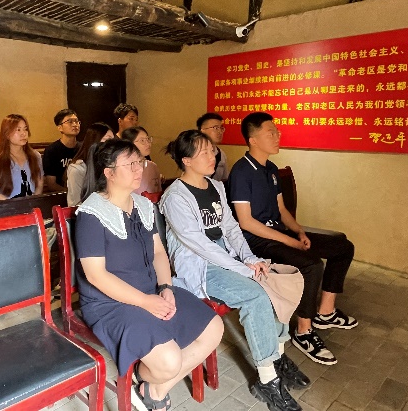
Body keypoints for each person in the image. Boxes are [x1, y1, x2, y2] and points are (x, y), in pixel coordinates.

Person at [160, 130, 308, 411]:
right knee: (256, 295)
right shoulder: (175, 197)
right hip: (201, 265)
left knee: (272, 281)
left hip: (225, 256)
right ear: (186, 161)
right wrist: (243, 269)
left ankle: (277, 356)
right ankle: (267, 379)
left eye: (212, 150)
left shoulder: (215, 187)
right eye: (204, 152)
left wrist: (250, 259)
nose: (212, 156)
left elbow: (230, 228)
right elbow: (200, 245)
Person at [75, 139, 224, 411]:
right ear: (108, 173)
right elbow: (96, 276)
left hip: (151, 290)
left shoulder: (143, 205)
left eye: (139, 162)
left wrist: (166, 287)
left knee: (214, 328)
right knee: (169, 361)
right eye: (130, 164)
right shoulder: (91, 214)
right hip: (110, 303)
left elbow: (157, 252)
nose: (138, 169)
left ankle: (151, 389)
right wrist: (145, 302)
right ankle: (147, 376)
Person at [228, 112, 357, 366]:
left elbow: (281, 209)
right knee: (311, 265)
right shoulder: (242, 171)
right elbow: (246, 222)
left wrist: (299, 231)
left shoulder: (271, 169)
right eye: (271, 133)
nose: (278, 136)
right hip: (256, 241)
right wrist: (290, 242)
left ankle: (325, 312)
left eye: (277, 131)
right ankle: (303, 331)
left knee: (343, 248)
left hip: (279, 234)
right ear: (253, 140)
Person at [0, 114, 44, 201]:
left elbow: (40, 184)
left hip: (32, 204)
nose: (23, 134)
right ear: (7, 134)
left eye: (25, 129)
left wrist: (33, 202)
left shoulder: (35, 156)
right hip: (8, 206)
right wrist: (13, 205)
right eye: (18, 130)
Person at [65, 122, 114, 206]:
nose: (112, 145)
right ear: (94, 141)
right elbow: (76, 203)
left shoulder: (110, 166)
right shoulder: (78, 169)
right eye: (108, 140)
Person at [43, 109, 81, 192]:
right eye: (70, 121)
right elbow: (51, 184)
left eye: (76, 121)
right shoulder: (51, 151)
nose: (75, 124)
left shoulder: (83, 148)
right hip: (62, 194)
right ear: (60, 128)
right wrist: (70, 193)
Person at [121, 127, 161, 195]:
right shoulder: (124, 168)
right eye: (142, 141)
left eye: (148, 139)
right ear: (129, 144)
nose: (148, 144)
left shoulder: (153, 166)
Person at [196, 112, 229, 181]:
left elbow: (225, 179)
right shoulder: (194, 153)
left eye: (221, 128)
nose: (220, 132)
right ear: (202, 130)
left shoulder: (221, 154)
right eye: (215, 128)